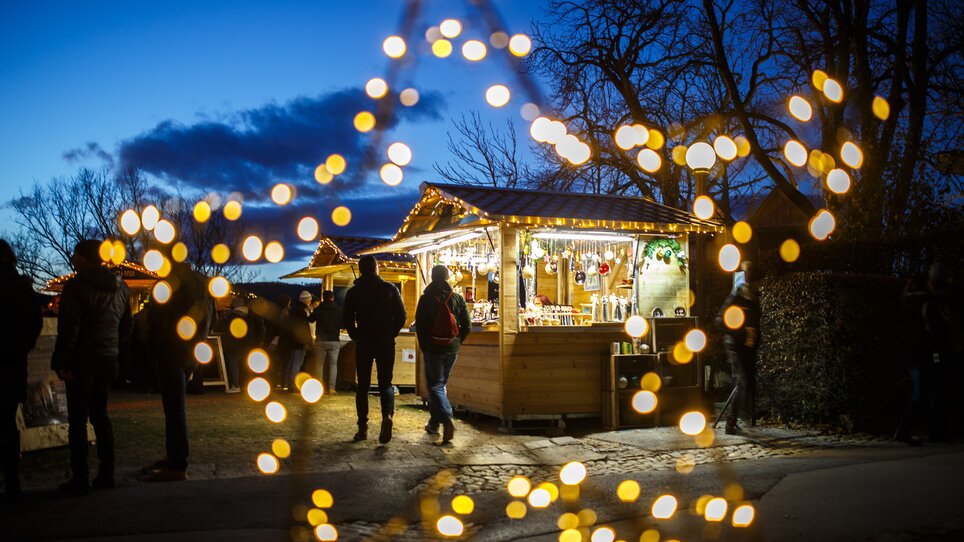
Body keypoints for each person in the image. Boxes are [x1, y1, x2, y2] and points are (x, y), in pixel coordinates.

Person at [51, 240, 132, 494]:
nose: (72, 258)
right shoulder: (121, 287)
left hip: (82, 359)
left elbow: (69, 328)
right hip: (108, 358)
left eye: (75, 254)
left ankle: (80, 476)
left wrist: (62, 361)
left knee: (78, 419)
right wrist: (113, 346)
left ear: (83, 258)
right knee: (100, 415)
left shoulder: (75, 286)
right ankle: (106, 473)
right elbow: (127, 325)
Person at [143, 260, 212, 482]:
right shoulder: (202, 285)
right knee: (176, 409)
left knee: (173, 410)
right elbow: (210, 318)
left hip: (170, 352)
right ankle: (174, 457)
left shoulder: (168, 285)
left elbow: (157, 322)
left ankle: (177, 464)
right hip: (190, 352)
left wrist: (154, 348)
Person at [342, 255, 406, 443]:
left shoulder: (354, 292)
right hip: (386, 342)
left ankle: (362, 428)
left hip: (364, 342)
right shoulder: (390, 289)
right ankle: (387, 416)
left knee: (363, 386)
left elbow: (346, 319)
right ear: (376, 268)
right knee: (386, 383)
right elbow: (402, 316)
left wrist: (355, 335)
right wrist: (392, 332)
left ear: (361, 270)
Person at [0, 240, 43, 501]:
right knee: (8, 424)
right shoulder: (22, 288)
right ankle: (13, 482)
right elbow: (36, 322)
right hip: (13, 363)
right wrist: (24, 345)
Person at [414, 265, 471, 444]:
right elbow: (467, 325)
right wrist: (456, 342)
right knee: (440, 385)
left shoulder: (425, 298)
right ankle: (434, 423)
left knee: (436, 386)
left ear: (432, 277)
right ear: (447, 278)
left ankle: (446, 418)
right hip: (451, 349)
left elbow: (420, 325)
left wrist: (424, 346)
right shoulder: (457, 298)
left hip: (433, 348)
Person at [715, 261, 760, 435]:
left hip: (748, 346)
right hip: (736, 346)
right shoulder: (737, 296)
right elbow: (721, 320)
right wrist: (737, 333)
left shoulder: (753, 298)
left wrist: (755, 342)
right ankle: (731, 422)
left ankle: (741, 417)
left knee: (746, 382)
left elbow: (756, 324)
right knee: (743, 381)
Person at [894, 275, 932, 445]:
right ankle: (904, 430)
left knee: (921, 391)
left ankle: (928, 429)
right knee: (920, 392)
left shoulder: (906, 302)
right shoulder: (926, 302)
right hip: (921, 352)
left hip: (909, 352)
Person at [310, 290, 342, 395]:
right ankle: (331, 388)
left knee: (319, 365)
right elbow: (342, 324)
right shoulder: (338, 310)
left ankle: (319, 388)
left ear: (323, 298)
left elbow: (310, 319)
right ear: (332, 298)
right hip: (334, 341)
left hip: (321, 341)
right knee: (333, 365)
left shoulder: (318, 309)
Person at [281, 291, 313, 391]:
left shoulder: (293, 310)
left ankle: (289, 383)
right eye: (309, 300)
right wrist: (307, 341)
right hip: (300, 341)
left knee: (292, 362)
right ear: (306, 301)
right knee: (297, 363)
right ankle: (293, 384)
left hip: (292, 340)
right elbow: (305, 328)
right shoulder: (302, 312)